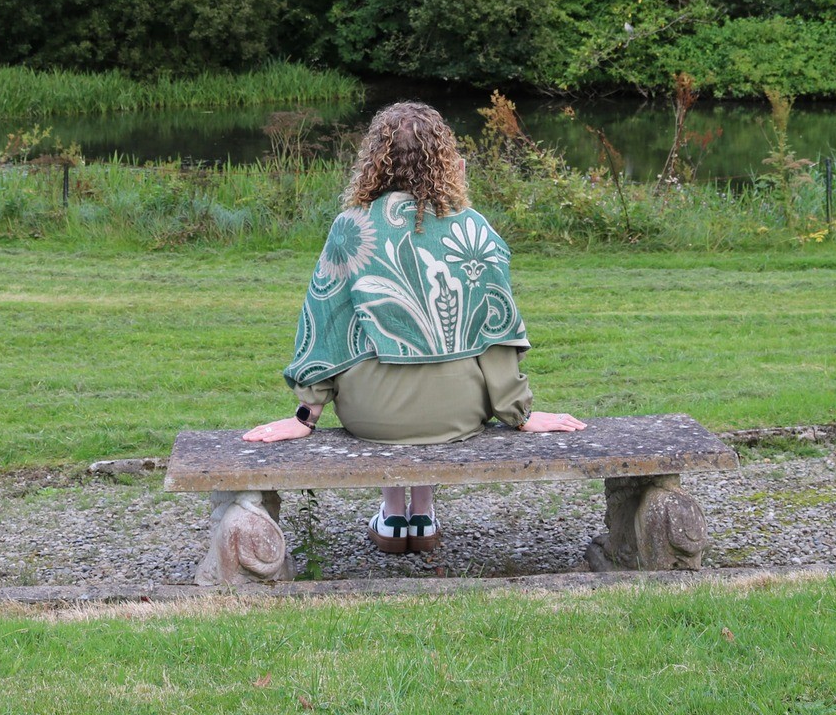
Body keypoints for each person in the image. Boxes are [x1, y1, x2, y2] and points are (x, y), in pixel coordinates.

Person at [242, 101, 586, 554]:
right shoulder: (472, 227)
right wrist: (518, 414)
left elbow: (325, 325)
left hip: (372, 414)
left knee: (369, 341)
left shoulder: (350, 227)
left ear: (373, 160)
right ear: (445, 159)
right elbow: (494, 330)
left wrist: (306, 416)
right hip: (457, 410)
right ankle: (421, 513)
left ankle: (392, 515)